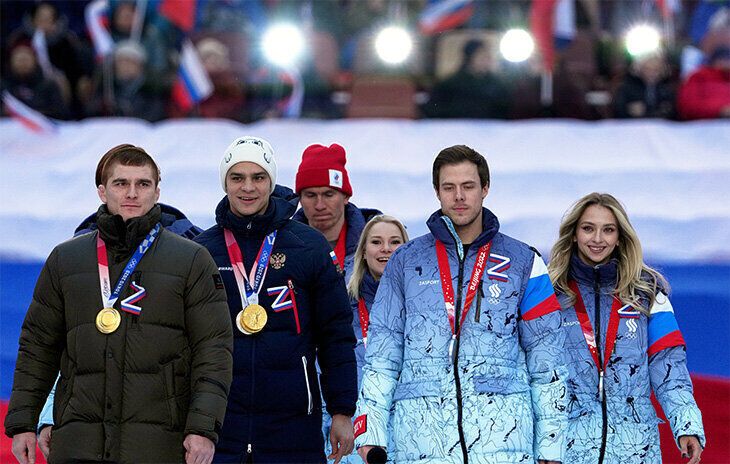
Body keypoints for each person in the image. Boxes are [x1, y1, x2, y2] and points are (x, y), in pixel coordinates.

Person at [4, 144, 233, 464]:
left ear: (156, 192)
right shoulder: (66, 259)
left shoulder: (191, 259)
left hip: (158, 445)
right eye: (121, 183)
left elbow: (214, 350)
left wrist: (203, 428)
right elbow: (38, 347)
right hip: (78, 442)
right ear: (102, 191)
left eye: (143, 184)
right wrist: (23, 423)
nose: (132, 193)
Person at [354, 145, 568, 463]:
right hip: (422, 441)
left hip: (503, 441)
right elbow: (382, 357)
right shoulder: (404, 260)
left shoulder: (524, 261)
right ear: (437, 192)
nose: (459, 196)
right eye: (449, 187)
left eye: (468, 186)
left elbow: (547, 359)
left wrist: (552, 443)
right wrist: (370, 432)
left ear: (485, 189)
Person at [193, 136, 357, 463]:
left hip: (293, 426)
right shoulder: (203, 251)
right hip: (221, 425)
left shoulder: (308, 246)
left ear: (271, 181)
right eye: (237, 178)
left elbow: (335, 333)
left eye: (258, 177)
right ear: (225, 183)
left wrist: (342, 410)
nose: (248, 187)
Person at [547, 192, 705, 464]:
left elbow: (669, 367)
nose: (598, 239)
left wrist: (687, 424)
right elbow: (534, 372)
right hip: (568, 449)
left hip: (635, 449)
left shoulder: (649, 293)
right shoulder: (548, 294)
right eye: (588, 228)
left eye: (608, 230)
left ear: (620, 237)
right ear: (573, 234)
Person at [293, 142, 381, 282]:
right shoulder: (281, 243)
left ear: (345, 196)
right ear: (300, 199)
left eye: (328, 195)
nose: (320, 205)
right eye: (311, 195)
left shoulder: (380, 240)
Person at [425, 39, 511, 119]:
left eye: (487, 56)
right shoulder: (451, 84)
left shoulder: (497, 85)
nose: (486, 59)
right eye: (481, 56)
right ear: (470, 58)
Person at [613, 53, 676, 119]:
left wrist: (646, 112)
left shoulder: (666, 88)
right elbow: (618, 110)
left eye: (656, 70)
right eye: (648, 69)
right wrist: (628, 110)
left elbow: (672, 112)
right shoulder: (627, 87)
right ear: (639, 70)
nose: (652, 73)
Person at [677, 44, 730, 120]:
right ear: (714, 61)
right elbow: (687, 106)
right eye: (724, 60)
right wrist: (720, 111)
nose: (726, 63)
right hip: (705, 126)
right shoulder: (699, 77)